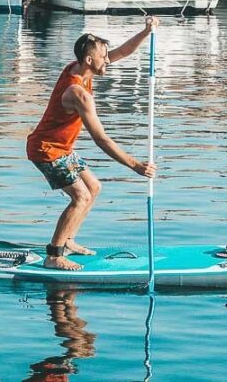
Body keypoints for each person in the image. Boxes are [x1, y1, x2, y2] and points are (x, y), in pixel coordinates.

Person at [26, 17, 159, 271]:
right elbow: (101, 139)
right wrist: (135, 166)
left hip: (61, 148)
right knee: (80, 196)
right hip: (46, 150)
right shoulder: (78, 94)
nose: (108, 60)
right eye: (103, 57)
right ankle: (54, 255)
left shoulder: (78, 68)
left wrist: (145, 31)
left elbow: (121, 52)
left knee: (94, 187)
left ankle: (69, 240)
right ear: (89, 60)